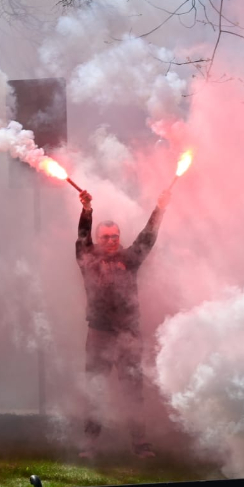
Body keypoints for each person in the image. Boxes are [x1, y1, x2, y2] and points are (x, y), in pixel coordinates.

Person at [75, 186, 170, 458]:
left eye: (115, 236)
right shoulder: (88, 259)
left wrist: (159, 209)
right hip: (99, 334)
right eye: (105, 237)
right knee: (95, 387)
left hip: (129, 334)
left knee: (133, 390)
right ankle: (89, 444)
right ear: (98, 239)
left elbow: (147, 238)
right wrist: (87, 211)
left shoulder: (129, 259)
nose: (111, 240)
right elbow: (82, 235)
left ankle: (140, 445)